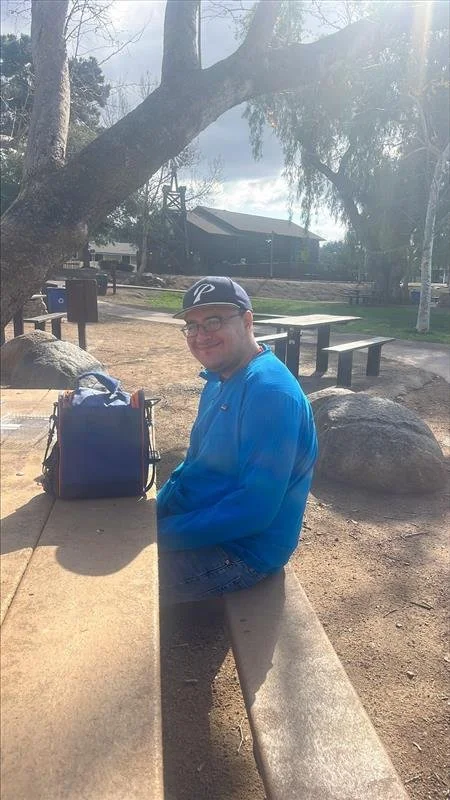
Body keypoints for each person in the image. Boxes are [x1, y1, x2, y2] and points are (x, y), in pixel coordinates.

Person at [157, 276, 317, 604]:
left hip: (241, 552)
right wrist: (156, 510)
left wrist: (157, 535)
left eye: (214, 321)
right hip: (203, 521)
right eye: (192, 326)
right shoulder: (219, 378)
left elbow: (253, 510)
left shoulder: (270, 393)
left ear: (247, 321)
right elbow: (194, 464)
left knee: (114, 591)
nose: (201, 335)